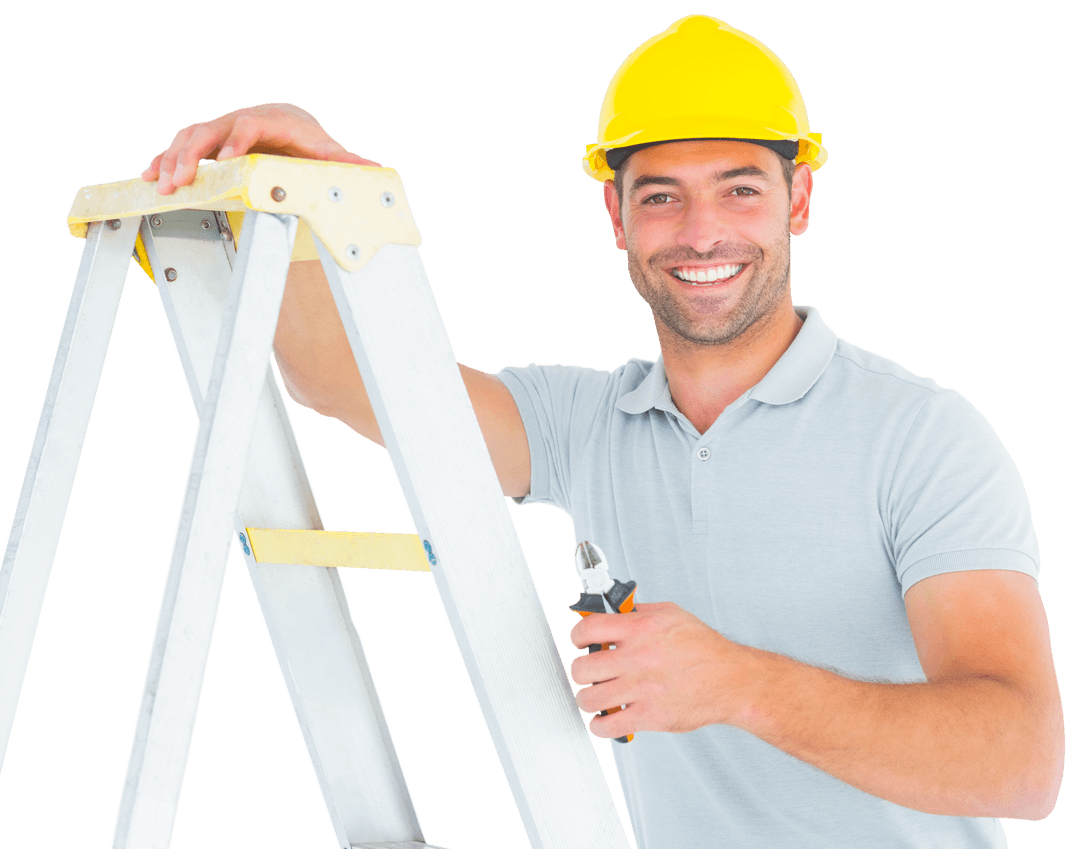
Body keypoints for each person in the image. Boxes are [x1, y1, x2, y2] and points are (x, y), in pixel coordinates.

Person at [140, 14, 1064, 848]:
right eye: (661, 196)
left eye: (739, 190)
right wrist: (314, 192)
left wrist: (735, 682)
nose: (702, 233)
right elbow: (341, 378)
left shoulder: (924, 436)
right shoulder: (586, 422)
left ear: (799, 201)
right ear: (617, 216)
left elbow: (1024, 764)